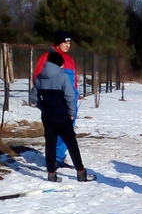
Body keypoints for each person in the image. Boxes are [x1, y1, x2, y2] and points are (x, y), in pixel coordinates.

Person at [30, 52, 95, 183]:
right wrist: (71, 113)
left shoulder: (39, 77)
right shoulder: (62, 76)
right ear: (59, 64)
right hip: (62, 116)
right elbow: (70, 97)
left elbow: (33, 97)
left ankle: (51, 174)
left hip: (47, 117)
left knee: (50, 145)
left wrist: (43, 107)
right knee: (72, 144)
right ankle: (81, 173)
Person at [33, 30, 79, 168]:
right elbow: (37, 78)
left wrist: (75, 93)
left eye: (69, 42)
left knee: (68, 130)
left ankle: (59, 157)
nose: (68, 45)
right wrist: (43, 103)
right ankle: (55, 159)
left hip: (69, 99)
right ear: (58, 42)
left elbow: (73, 80)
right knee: (57, 131)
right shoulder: (48, 57)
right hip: (56, 101)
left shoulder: (68, 59)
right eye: (65, 42)